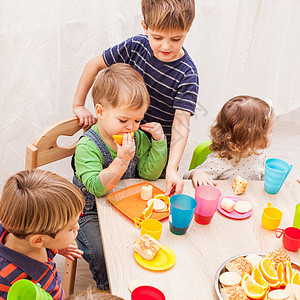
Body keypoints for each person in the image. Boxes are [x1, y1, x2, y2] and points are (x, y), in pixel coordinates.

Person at [72, 0, 199, 196]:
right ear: (145, 27)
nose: (166, 46)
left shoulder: (187, 74)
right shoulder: (136, 46)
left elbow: (181, 124)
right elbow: (94, 65)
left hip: (156, 151)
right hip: (120, 140)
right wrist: (79, 104)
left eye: (176, 39)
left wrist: (172, 169)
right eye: (157, 37)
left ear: (188, 30)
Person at [72, 63, 167, 292]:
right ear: (101, 111)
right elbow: (96, 188)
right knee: (103, 251)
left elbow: (148, 173)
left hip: (125, 204)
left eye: (136, 120)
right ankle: (109, 290)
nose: (130, 128)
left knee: (148, 243)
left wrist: (159, 143)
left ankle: (135, 283)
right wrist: (122, 160)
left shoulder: (137, 137)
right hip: (89, 212)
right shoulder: (88, 146)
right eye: (123, 120)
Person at [0, 169, 85, 300]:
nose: (77, 227)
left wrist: (55, 247)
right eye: (70, 228)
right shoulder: (9, 280)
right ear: (38, 240)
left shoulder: (23, 230)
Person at [184, 95, 275, 186]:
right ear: (251, 137)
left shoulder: (259, 152)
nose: (273, 131)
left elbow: (262, 177)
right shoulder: (219, 161)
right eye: (270, 130)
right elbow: (185, 178)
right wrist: (196, 173)